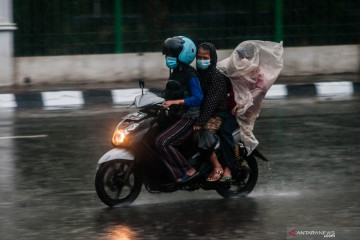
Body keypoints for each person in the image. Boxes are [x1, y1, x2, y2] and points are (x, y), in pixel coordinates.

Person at [217, 40, 284, 155]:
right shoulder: (233, 66)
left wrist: (242, 105)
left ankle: (228, 166)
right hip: (227, 108)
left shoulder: (258, 74)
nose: (243, 60)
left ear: (252, 58)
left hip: (242, 112)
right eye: (241, 56)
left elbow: (259, 92)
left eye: (246, 57)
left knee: (225, 130)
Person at [155, 36, 203, 183]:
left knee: (162, 142)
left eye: (172, 54)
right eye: (167, 54)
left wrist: (177, 101)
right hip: (177, 115)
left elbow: (198, 98)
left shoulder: (190, 74)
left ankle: (187, 169)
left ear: (183, 55)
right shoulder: (175, 72)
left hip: (189, 117)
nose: (168, 58)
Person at [192, 42, 230, 182]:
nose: (202, 61)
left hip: (217, 114)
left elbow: (211, 103)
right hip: (201, 112)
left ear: (212, 58)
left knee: (202, 132)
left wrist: (201, 122)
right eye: (199, 57)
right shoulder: (198, 74)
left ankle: (217, 166)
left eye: (205, 58)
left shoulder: (216, 76)